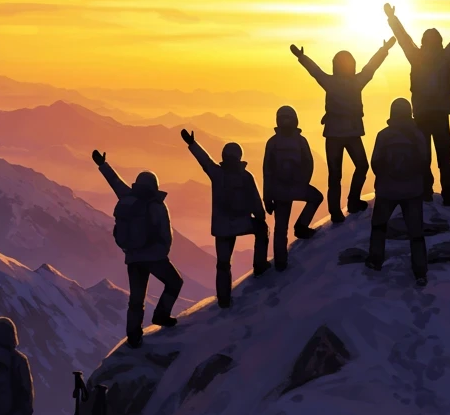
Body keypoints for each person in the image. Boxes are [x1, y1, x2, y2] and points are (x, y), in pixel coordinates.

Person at [290, 37, 395, 224]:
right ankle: (351, 202)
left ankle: (337, 210)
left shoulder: (331, 82)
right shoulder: (356, 81)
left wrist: (302, 57)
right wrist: (384, 50)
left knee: (335, 174)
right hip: (351, 133)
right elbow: (371, 67)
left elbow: (315, 71)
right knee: (359, 166)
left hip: (334, 134)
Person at [383, 2, 450, 205]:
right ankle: (448, 194)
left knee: (423, 155)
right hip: (440, 114)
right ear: (439, 42)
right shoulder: (445, 57)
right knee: (444, 156)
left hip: (421, 114)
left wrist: (392, 18)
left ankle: (426, 190)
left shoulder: (416, 57)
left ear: (423, 42)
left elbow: (403, 38)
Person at [93, 150, 184, 348]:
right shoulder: (156, 205)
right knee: (175, 282)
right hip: (154, 257)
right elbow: (164, 232)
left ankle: (134, 337)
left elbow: (114, 182)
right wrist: (162, 253)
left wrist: (102, 165)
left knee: (136, 299)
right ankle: (161, 315)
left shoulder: (128, 197)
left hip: (133, 257)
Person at [181, 131, 270, 307]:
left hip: (222, 227)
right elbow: (256, 201)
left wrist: (192, 144)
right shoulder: (245, 176)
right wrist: (260, 216)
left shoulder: (217, 173)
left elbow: (205, 161)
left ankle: (223, 299)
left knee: (223, 263)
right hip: (242, 222)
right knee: (261, 230)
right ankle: (260, 266)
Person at [366, 97, 429, 285]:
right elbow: (425, 162)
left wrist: (387, 178)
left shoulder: (384, 135)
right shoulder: (418, 135)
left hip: (387, 190)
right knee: (416, 232)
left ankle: (375, 261)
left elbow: (375, 162)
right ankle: (420, 271)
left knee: (379, 226)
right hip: (413, 191)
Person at [262, 105, 324, 270]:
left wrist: (267, 196)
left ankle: (280, 261)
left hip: (280, 190)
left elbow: (267, 171)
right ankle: (301, 227)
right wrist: (302, 182)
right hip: (289, 187)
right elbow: (308, 163)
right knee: (315, 198)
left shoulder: (274, 142)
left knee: (281, 227)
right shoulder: (298, 141)